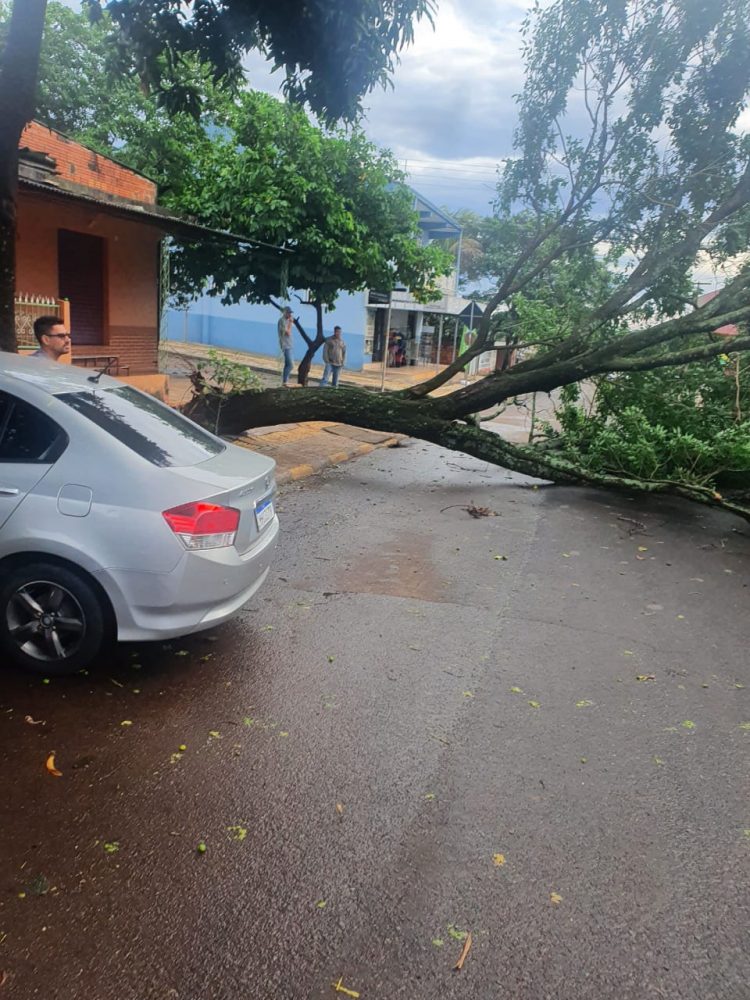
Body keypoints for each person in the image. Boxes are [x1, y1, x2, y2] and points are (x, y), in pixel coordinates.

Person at [277, 306, 294, 386]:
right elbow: (288, 333)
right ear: (285, 312)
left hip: (289, 344)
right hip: (285, 345)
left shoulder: (287, 320)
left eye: (290, 313)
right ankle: (285, 381)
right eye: (289, 313)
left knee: (287, 364)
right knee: (290, 365)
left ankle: (285, 381)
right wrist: (291, 323)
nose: (290, 314)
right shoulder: (282, 321)